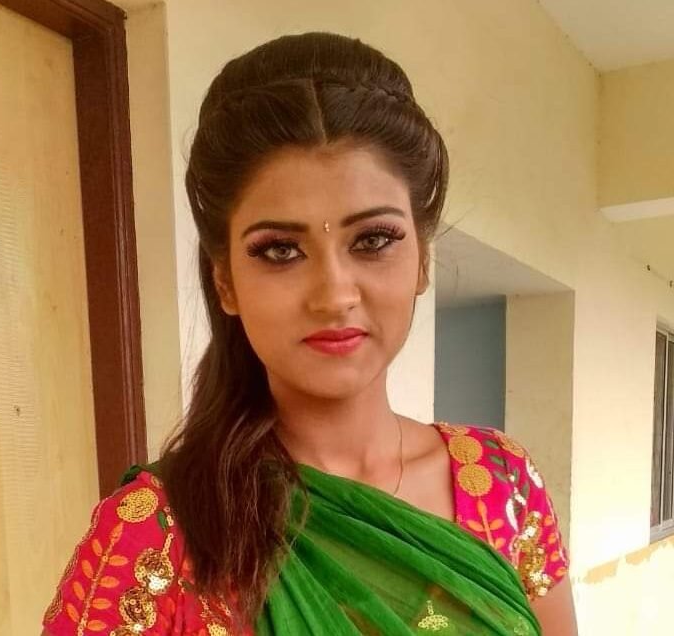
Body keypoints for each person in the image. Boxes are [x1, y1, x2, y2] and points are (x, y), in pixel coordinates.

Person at [42, 32, 577, 635]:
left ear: (423, 261)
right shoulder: (152, 535)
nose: (334, 294)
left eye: (373, 240)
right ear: (225, 283)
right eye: (280, 250)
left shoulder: (503, 481)